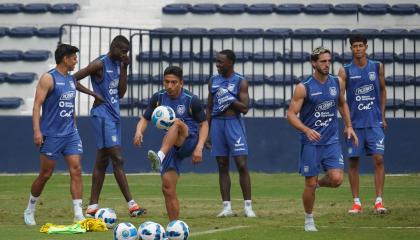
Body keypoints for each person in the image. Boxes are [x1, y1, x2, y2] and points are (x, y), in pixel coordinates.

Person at [73, 35, 146, 217]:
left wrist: (126, 67)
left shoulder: (120, 64)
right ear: (113, 47)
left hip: (114, 115)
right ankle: (132, 205)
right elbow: (72, 79)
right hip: (102, 116)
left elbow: (120, 93)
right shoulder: (99, 64)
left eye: (127, 52)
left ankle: (91, 208)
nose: (124, 54)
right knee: (118, 159)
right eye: (122, 51)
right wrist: (93, 94)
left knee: (102, 161)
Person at [287, 46, 358, 231]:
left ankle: (318, 184)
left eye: (329, 61)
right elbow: (291, 114)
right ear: (314, 63)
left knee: (336, 179)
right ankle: (309, 220)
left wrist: (349, 126)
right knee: (308, 183)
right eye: (323, 61)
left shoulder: (337, 82)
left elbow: (342, 104)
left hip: (331, 141)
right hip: (311, 143)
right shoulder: (304, 87)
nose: (327, 64)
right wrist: (305, 129)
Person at [133, 66, 208, 221]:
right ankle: (174, 227)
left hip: (188, 139)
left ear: (181, 82)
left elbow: (204, 124)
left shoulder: (191, 99)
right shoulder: (158, 97)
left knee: (176, 122)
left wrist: (199, 147)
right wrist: (139, 131)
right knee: (167, 188)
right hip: (171, 145)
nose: (169, 86)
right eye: (166, 82)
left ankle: (159, 157)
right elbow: (145, 118)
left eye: (174, 82)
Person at [24, 44, 85, 225]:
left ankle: (78, 214)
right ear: (65, 58)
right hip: (51, 135)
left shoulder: (71, 80)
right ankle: (30, 209)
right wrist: (37, 130)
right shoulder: (48, 78)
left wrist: (74, 126)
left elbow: (71, 106)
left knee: (77, 169)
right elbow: (36, 105)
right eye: (73, 57)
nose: (76, 60)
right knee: (46, 174)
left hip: (71, 134)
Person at [338, 34, 387, 214]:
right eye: (354, 46)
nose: (358, 49)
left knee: (379, 159)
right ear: (351, 48)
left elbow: (382, 91)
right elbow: (339, 99)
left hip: (374, 122)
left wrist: (382, 116)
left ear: (366, 47)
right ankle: (356, 202)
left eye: (360, 45)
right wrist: (346, 123)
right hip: (355, 125)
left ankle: (379, 201)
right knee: (353, 162)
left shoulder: (377, 67)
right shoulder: (345, 71)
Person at [206, 49, 256, 218]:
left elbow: (245, 108)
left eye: (221, 62)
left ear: (230, 63)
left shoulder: (240, 81)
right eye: (217, 61)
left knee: (241, 164)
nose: (217, 65)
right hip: (217, 124)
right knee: (222, 165)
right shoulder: (213, 80)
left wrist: (229, 98)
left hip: (234, 123)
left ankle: (248, 207)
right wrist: (206, 133)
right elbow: (210, 107)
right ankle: (226, 207)